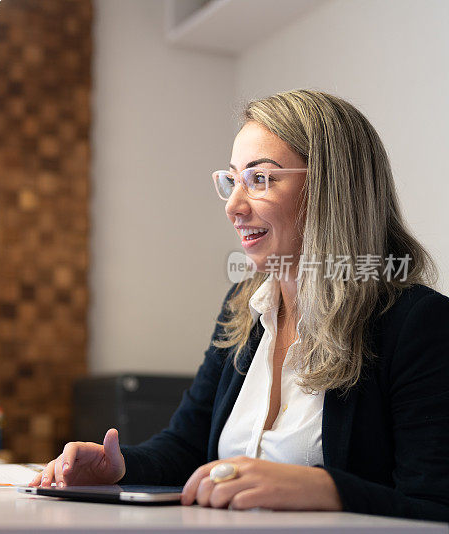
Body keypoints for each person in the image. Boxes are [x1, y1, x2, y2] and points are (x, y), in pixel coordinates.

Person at [29, 89, 449, 521]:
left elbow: (435, 506)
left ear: (332, 188)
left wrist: (326, 488)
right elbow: (186, 447)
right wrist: (118, 468)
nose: (233, 206)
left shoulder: (418, 323)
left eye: (260, 179)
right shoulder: (243, 307)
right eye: (232, 180)